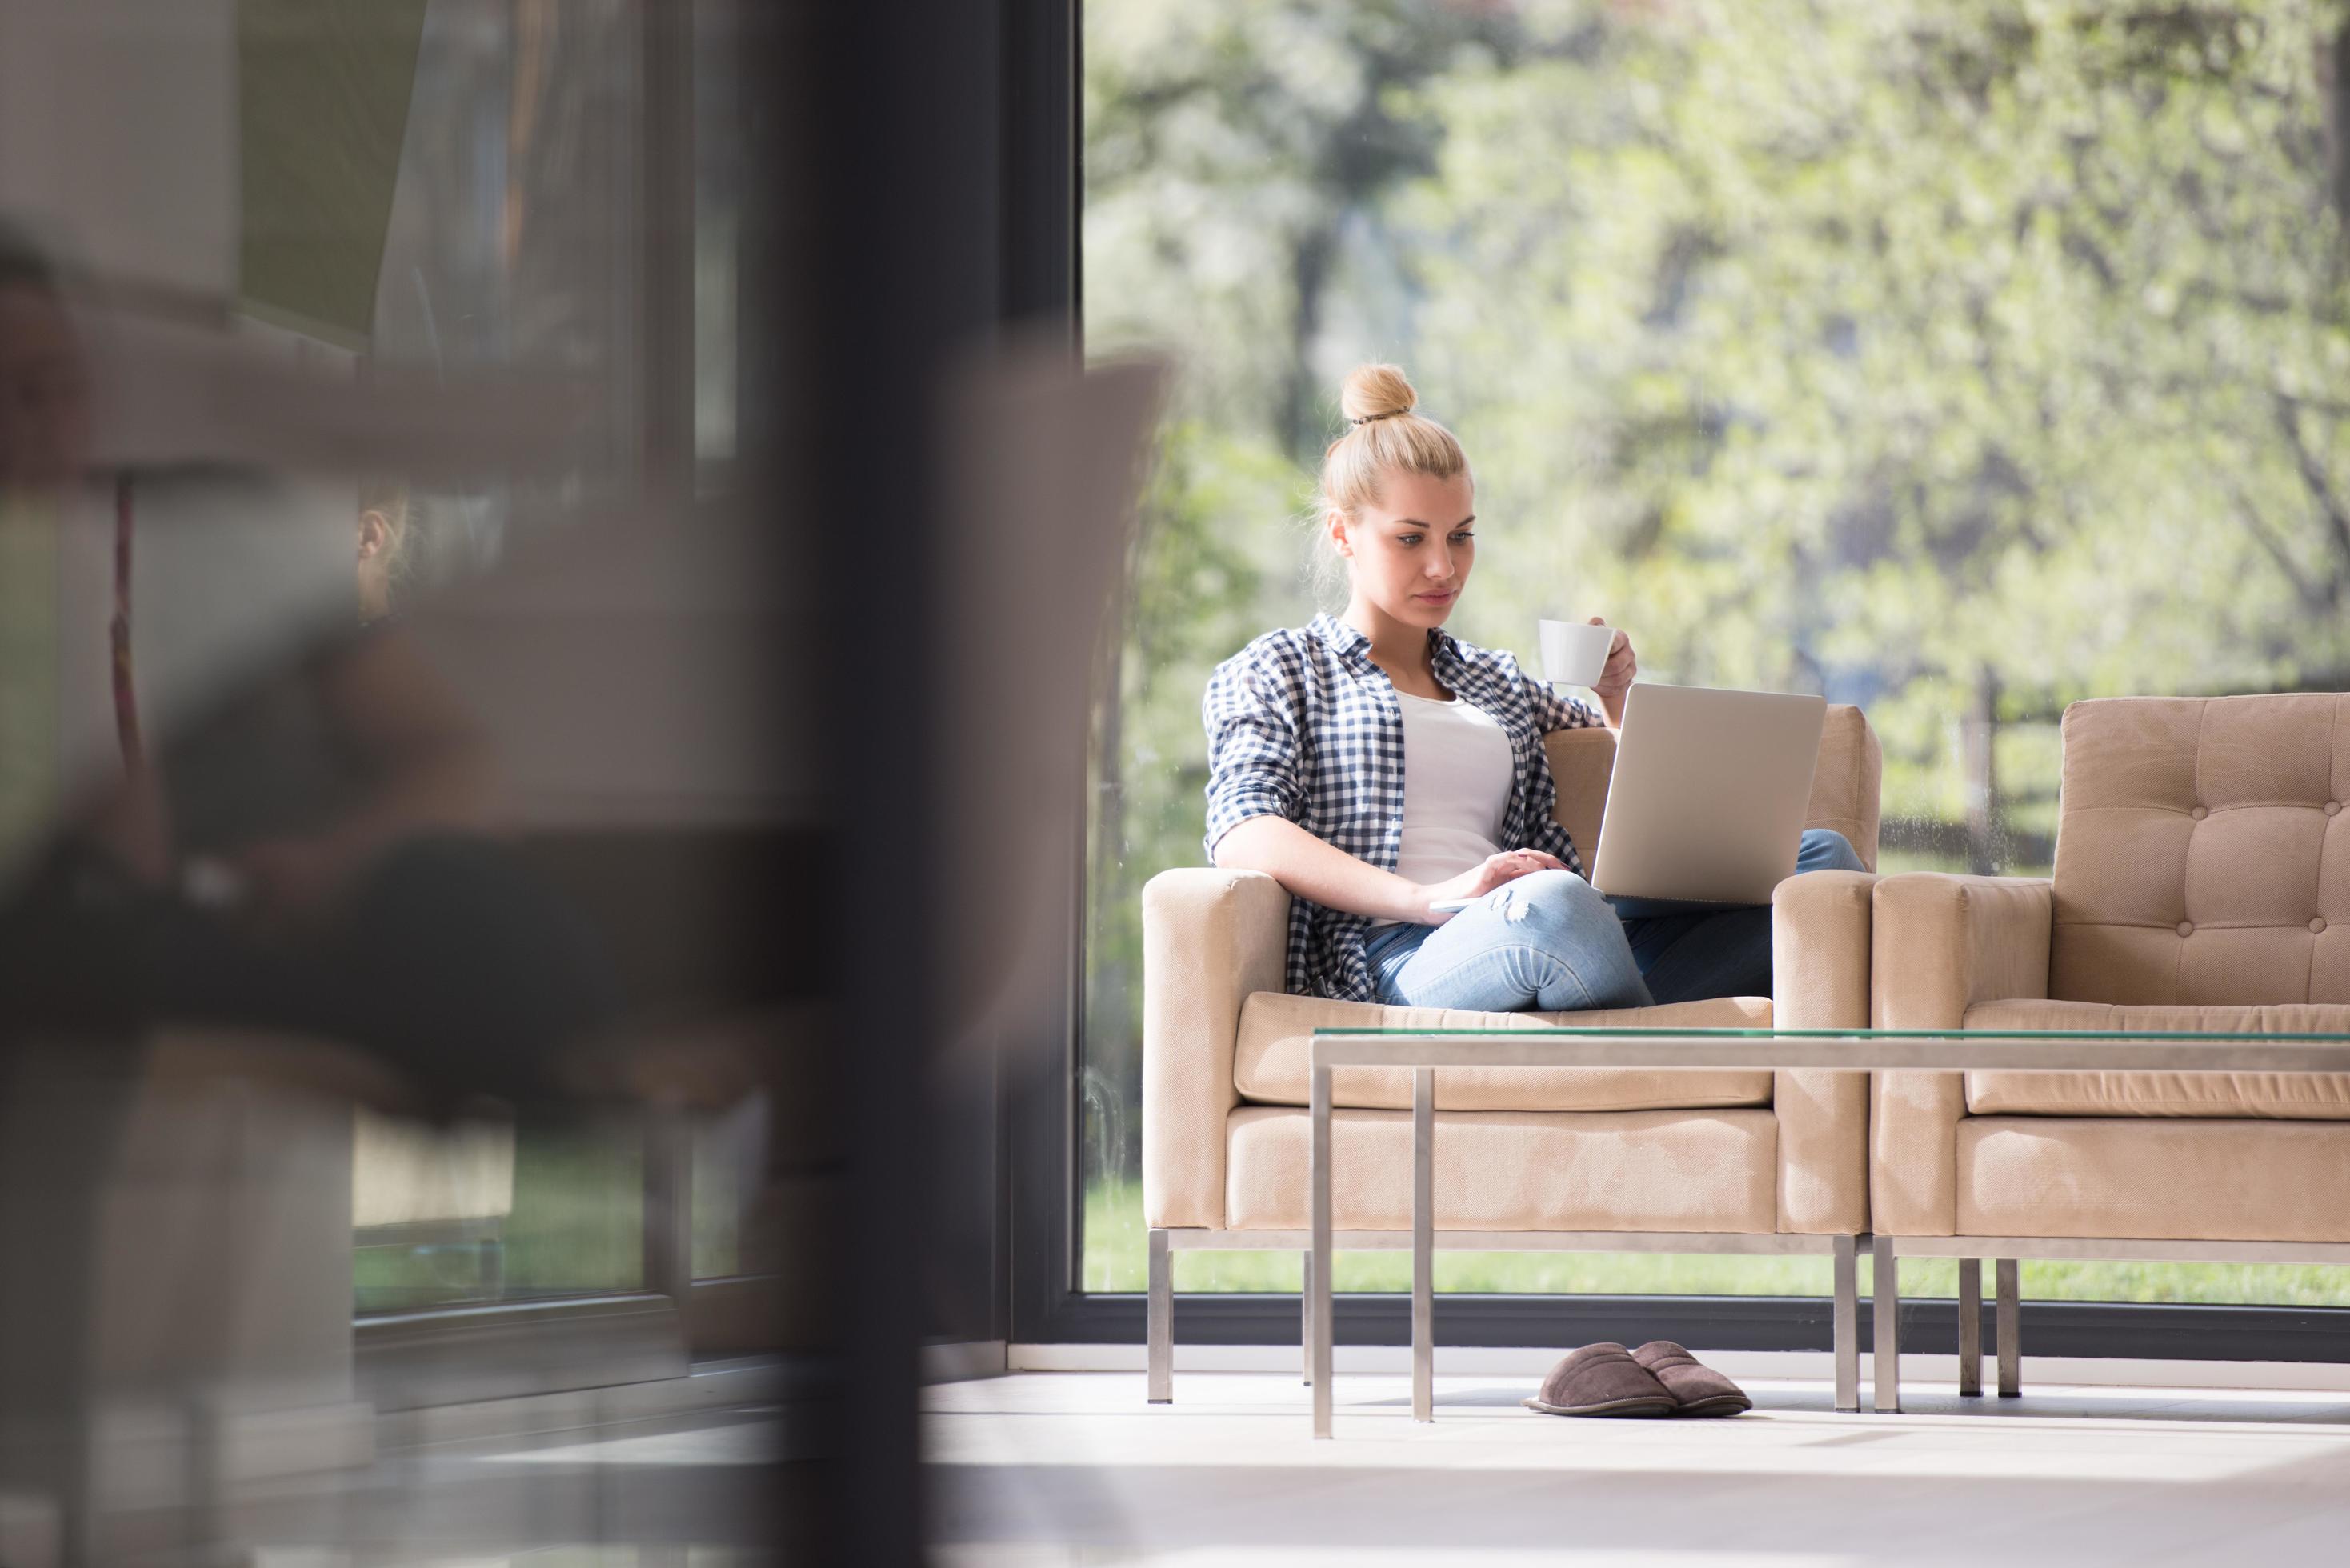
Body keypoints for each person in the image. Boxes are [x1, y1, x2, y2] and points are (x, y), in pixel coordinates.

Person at [1203, 362, 1865, 1014]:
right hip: (1405, 951)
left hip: (1562, 924)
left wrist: (1613, 697)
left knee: (1821, 866)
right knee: (1556, 908)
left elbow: (1641, 778)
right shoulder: (1280, 668)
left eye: (1461, 537)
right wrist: (1431, 895)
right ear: (1343, 533)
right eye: (1411, 539)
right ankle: (1649, 1049)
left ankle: (1619, 1016)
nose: (1443, 567)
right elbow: (1243, 829)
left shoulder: (1492, 679)